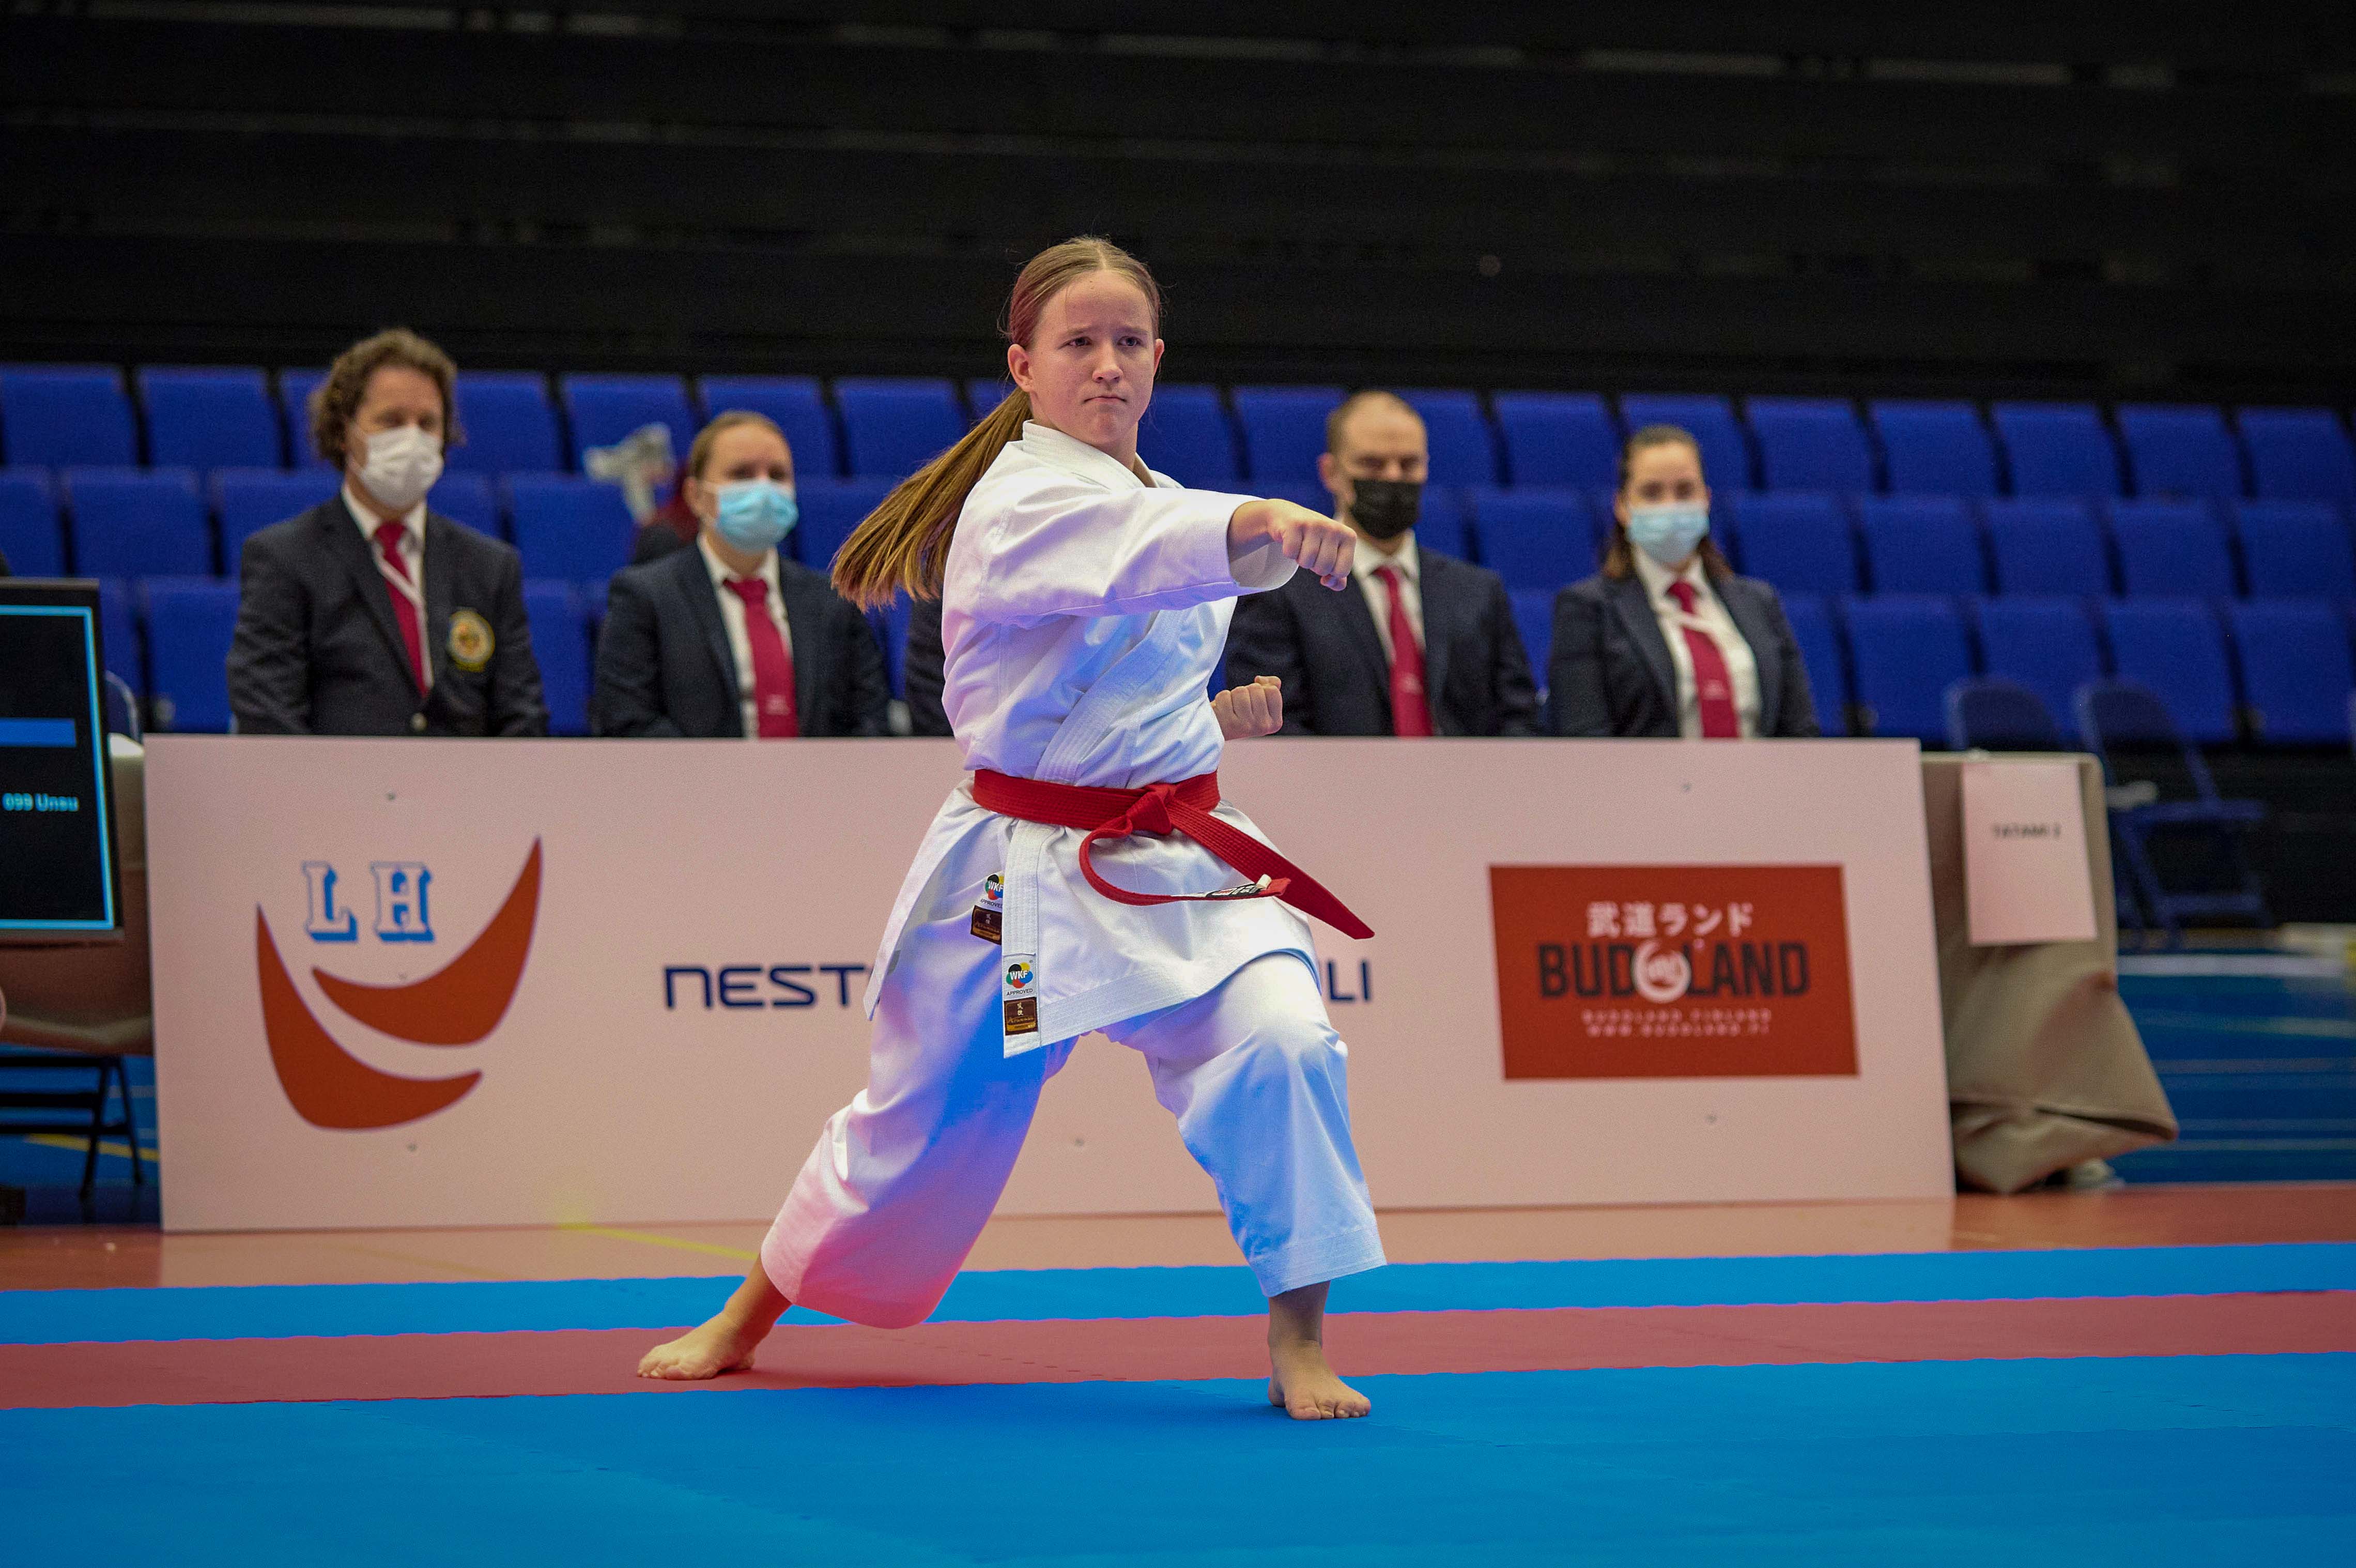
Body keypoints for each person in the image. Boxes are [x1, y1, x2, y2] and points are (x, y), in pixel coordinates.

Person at [636, 237, 1387, 1420]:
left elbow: (1113, 679)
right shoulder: (1015, 503)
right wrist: (1264, 517)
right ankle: (747, 1312)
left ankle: (1298, 1336)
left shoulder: (1160, 496)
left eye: (1128, 341)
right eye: (1077, 342)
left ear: (1158, 358)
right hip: (1018, 868)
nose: (1106, 365)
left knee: (1284, 1040)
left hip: (1175, 851)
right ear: (1024, 366)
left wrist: (1207, 717)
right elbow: (1124, 562)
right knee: (916, 1122)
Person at [226, 329, 547, 736]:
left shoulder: (490, 568)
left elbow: (522, 719)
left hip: (465, 778)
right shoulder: (286, 559)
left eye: (427, 423)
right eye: (391, 421)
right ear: (343, 431)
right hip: (335, 778)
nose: (412, 438)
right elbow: (269, 717)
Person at [1226, 390, 1538, 736]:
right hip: (1334, 772)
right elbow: (1272, 728)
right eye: (1372, 464)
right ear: (1331, 473)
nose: (1392, 477)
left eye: (1408, 464)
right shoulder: (1280, 590)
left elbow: (1519, 720)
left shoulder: (1478, 591)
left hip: (1467, 772)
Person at [593, 412, 890, 738]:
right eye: (742, 474)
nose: (763, 488)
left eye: (777, 475)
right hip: (689, 772)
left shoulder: (834, 604)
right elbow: (628, 722)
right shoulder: (645, 598)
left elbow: (870, 722)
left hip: (818, 772)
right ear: (695, 496)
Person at [1548, 424, 1818, 739]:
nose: (1670, 506)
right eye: (1652, 493)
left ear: (1706, 499)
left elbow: (1800, 732)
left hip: (1759, 771)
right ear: (1622, 507)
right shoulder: (1586, 609)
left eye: (1685, 491)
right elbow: (1585, 738)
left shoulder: (1759, 602)